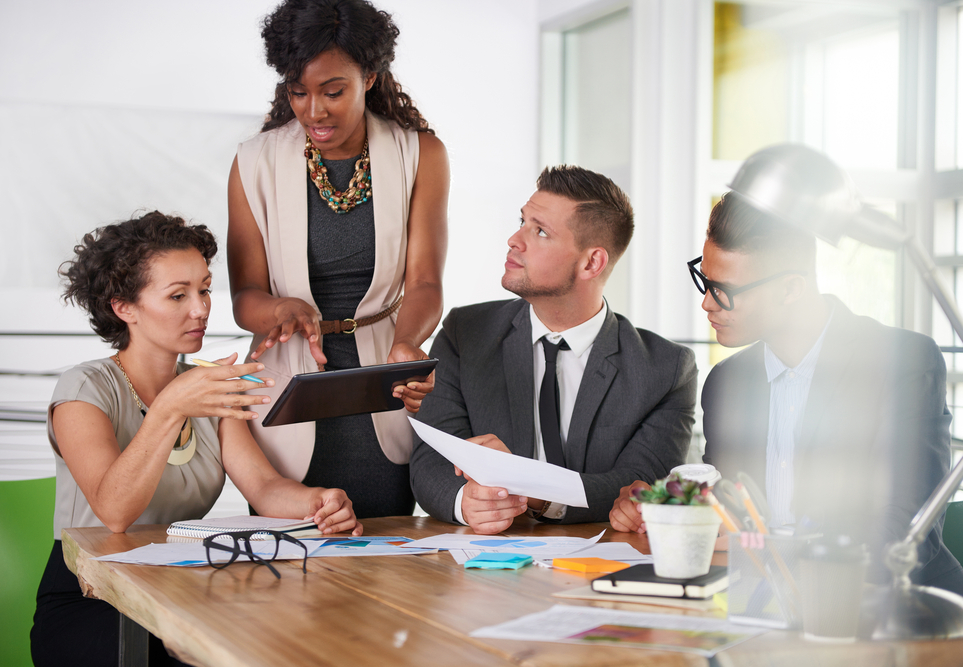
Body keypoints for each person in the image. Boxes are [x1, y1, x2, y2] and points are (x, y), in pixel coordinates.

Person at [609, 193, 963, 606]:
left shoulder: (901, 364)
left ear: (791, 288)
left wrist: (765, 546)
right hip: (769, 610)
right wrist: (668, 511)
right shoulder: (727, 382)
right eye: (705, 280)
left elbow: (903, 534)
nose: (706, 303)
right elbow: (736, 510)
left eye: (725, 290)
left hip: (901, 613)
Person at [31, 212, 362, 667]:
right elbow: (114, 513)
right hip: (93, 598)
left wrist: (317, 503)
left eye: (204, 289)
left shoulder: (207, 388)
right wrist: (171, 407)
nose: (201, 308)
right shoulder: (83, 389)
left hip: (180, 588)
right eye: (178, 295)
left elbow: (264, 488)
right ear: (123, 307)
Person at [227, 0, 449, 518]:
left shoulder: (421, 154)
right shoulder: (253, 162)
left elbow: (424, 282)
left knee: (387, 557)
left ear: (369, 77)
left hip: (380, 384)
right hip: (288, 389)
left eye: (333, 92)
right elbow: (245, 298)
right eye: (298, 92)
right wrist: (280, 310)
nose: (314, 111)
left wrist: (406, 344)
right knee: (293, 561)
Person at [409, 165, 697, 534]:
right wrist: (465, 502)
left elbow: (637, 484)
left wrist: (534, 491)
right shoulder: (465, 334)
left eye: (540, 231)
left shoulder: (666, 369)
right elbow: (431, 461)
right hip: (482, 569)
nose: (515, 239)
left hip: (597, 570)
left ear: (591, 262)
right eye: (522, 222)